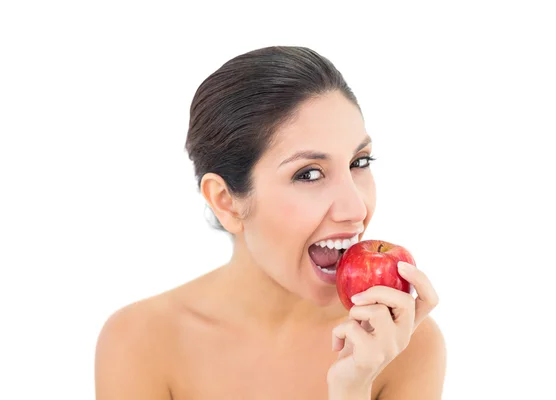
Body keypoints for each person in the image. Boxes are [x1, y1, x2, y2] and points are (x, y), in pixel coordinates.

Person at [94, 45, 446, 399]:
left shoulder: (402, 346)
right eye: (309, 174)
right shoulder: (140, 342)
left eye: (360, 163)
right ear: (226, 201)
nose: (356, 208)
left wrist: (353, 389)